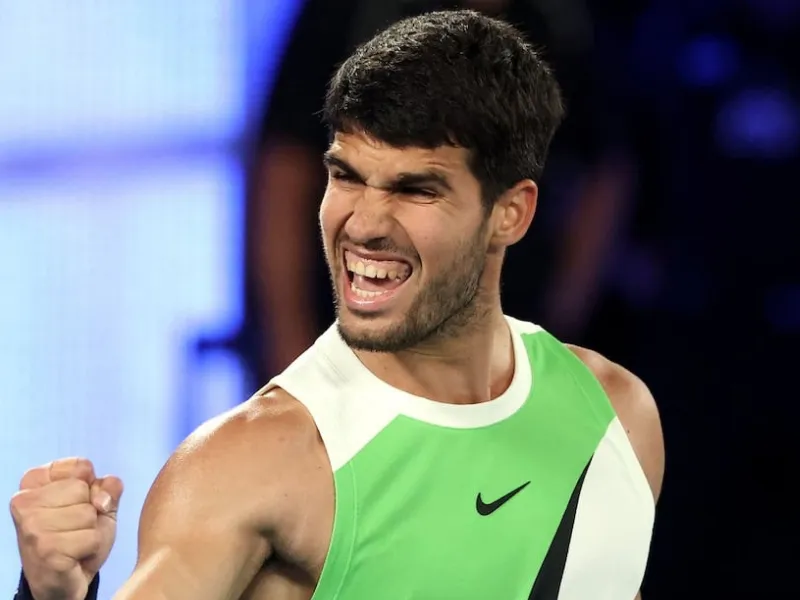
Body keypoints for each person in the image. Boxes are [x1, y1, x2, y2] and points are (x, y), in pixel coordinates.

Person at [11, 10, 664, 600]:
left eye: (415, 189)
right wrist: (51, 595)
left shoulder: (614, 413)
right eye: (346, 176)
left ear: (511, 214)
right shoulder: (252, 463)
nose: (364, 224)